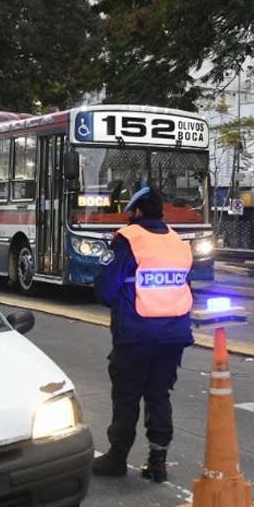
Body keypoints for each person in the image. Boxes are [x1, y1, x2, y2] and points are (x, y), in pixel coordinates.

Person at [91, 187, 194, 482]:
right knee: (159, 394)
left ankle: (117, 459)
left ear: (135, 212)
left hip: (135, 335)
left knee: (127, 395)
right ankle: (158, 462)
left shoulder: (128, 239)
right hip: (174, 333)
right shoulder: (178, 242)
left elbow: (106, 290)